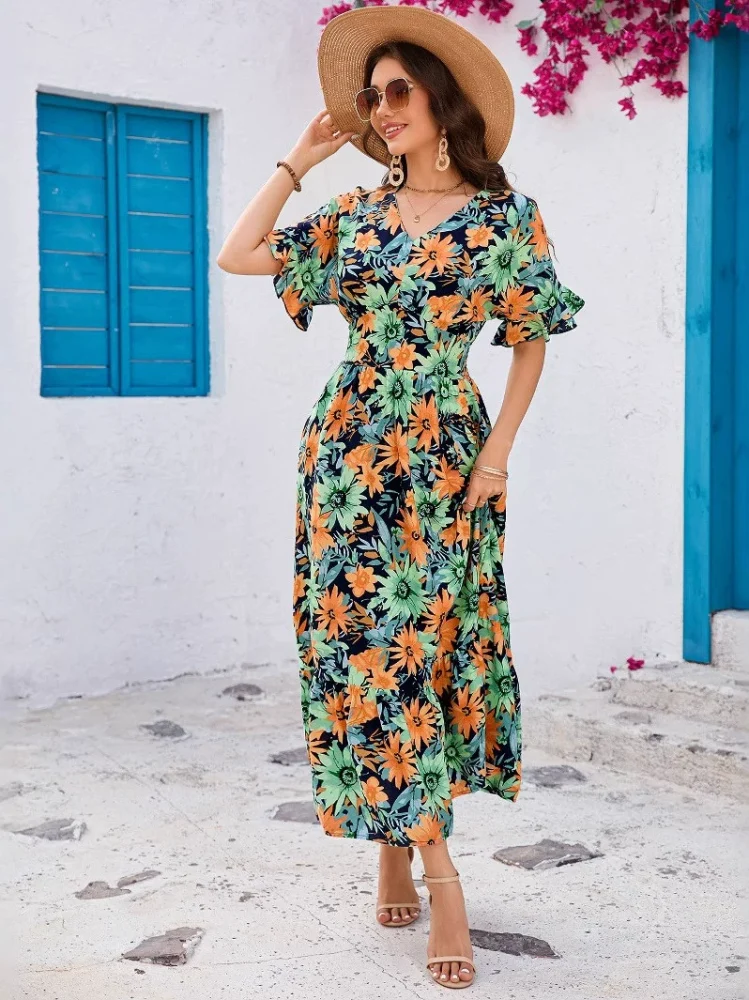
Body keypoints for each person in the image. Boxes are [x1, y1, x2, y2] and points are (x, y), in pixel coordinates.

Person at [217, 5, 583, 990]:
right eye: (369, 95)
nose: (379, 109)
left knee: (429, 646)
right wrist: (299, 159)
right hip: (346, 457)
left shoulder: (505, 219)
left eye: (396, 91)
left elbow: (531, 338)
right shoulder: (354, 215)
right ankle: (431, 865)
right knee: (364, 650)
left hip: (448, 456)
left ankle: (406, 845)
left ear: (439, 100)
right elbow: (239, 254)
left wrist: (497, 456)